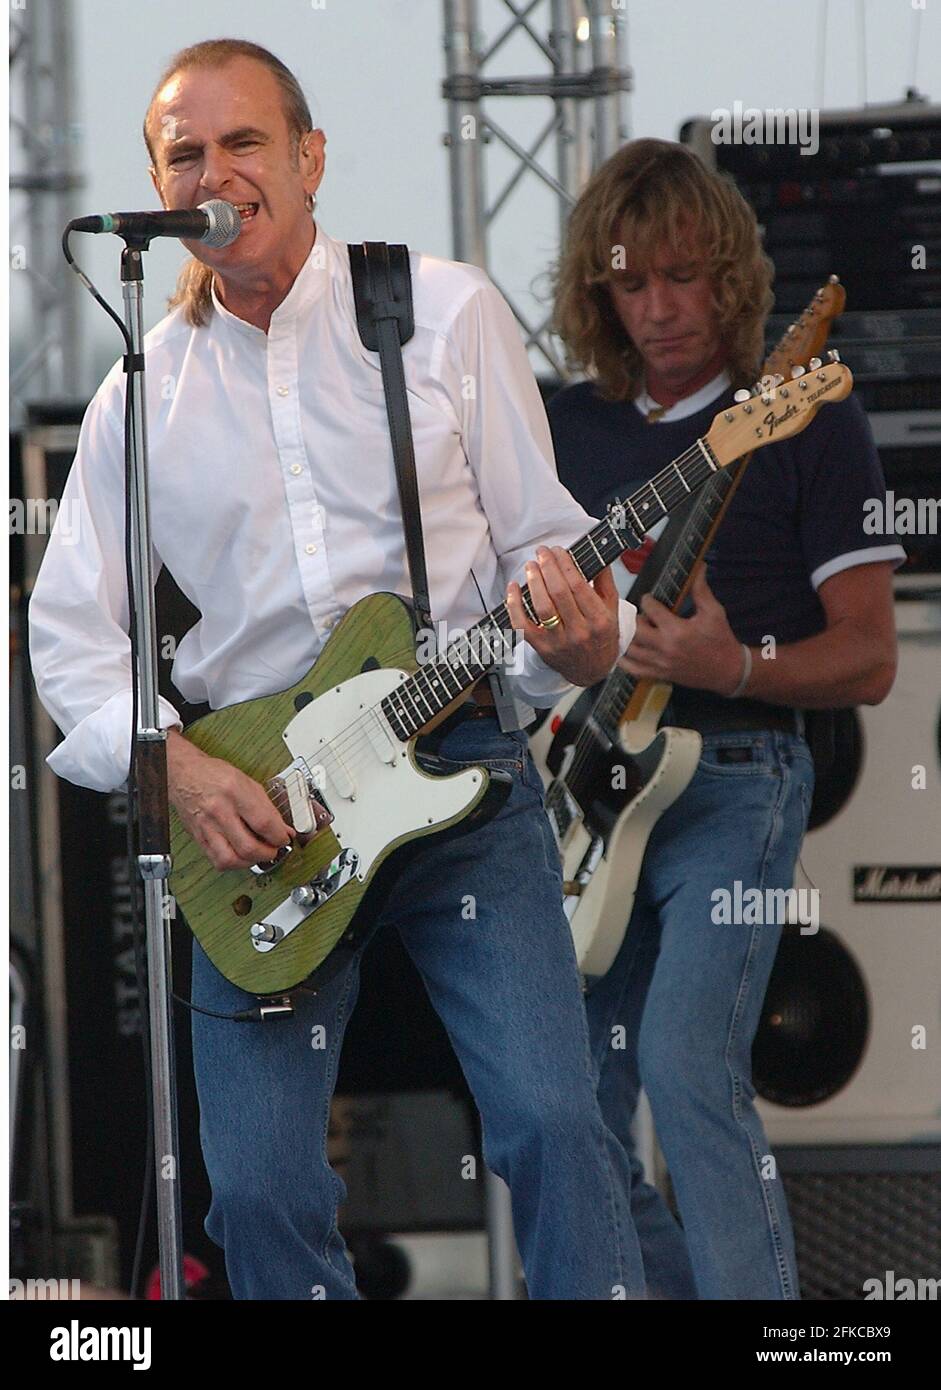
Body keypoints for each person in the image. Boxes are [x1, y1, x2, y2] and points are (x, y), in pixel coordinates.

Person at [29, 39, 645, 1300]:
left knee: (549, 1121)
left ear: (310, 158)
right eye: (183, 152)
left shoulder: (442, 311)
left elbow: (542, 541)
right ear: (155, 182)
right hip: (258, 809)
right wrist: (178, 768)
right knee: (256, 1185)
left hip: (459, 757)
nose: (215, 170)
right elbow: (69, 642)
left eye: (244, 142)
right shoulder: (136, 400)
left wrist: (589, 642)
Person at [547, 138, 904, 1300]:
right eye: (632, 282)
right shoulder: (559, 431)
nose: (660, 308)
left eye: (684, 275)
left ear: (731, 280)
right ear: (598, 293)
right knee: (560, 1094)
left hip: (736, 779)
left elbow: (867, 657)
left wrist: (730, 663)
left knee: (685, 1059)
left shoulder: (803, 418)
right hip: (587, 788)